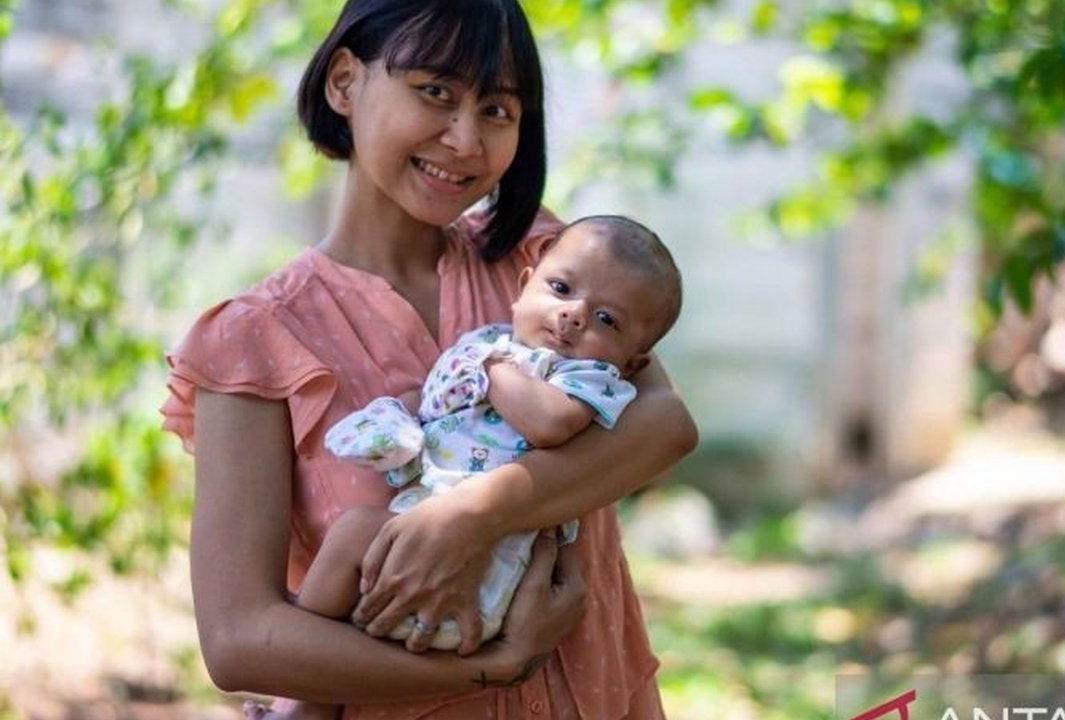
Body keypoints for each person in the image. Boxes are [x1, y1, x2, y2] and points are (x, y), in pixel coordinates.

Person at [159, 0, 698, 718]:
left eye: (497, 110)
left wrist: (474, 513)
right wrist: (493, 666)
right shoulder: (252, 342)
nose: (466, 140)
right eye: (435, 91)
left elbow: (665, 426)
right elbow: (239, 641)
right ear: (344, 82)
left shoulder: (548, 268)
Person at [282, 215, 682, 720]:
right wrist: (398, 419)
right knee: (351, 535)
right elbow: (434, 401)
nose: (575, 315)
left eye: (607, 320)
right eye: (560, 289)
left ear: (633, 362)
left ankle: (312, 704)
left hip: (499, 567)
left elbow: (548, 423)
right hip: (417, 539)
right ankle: (308, 704)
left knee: (357, 536)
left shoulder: (586, 378)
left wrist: (491, 369)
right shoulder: (490, 342)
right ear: (524, 285)